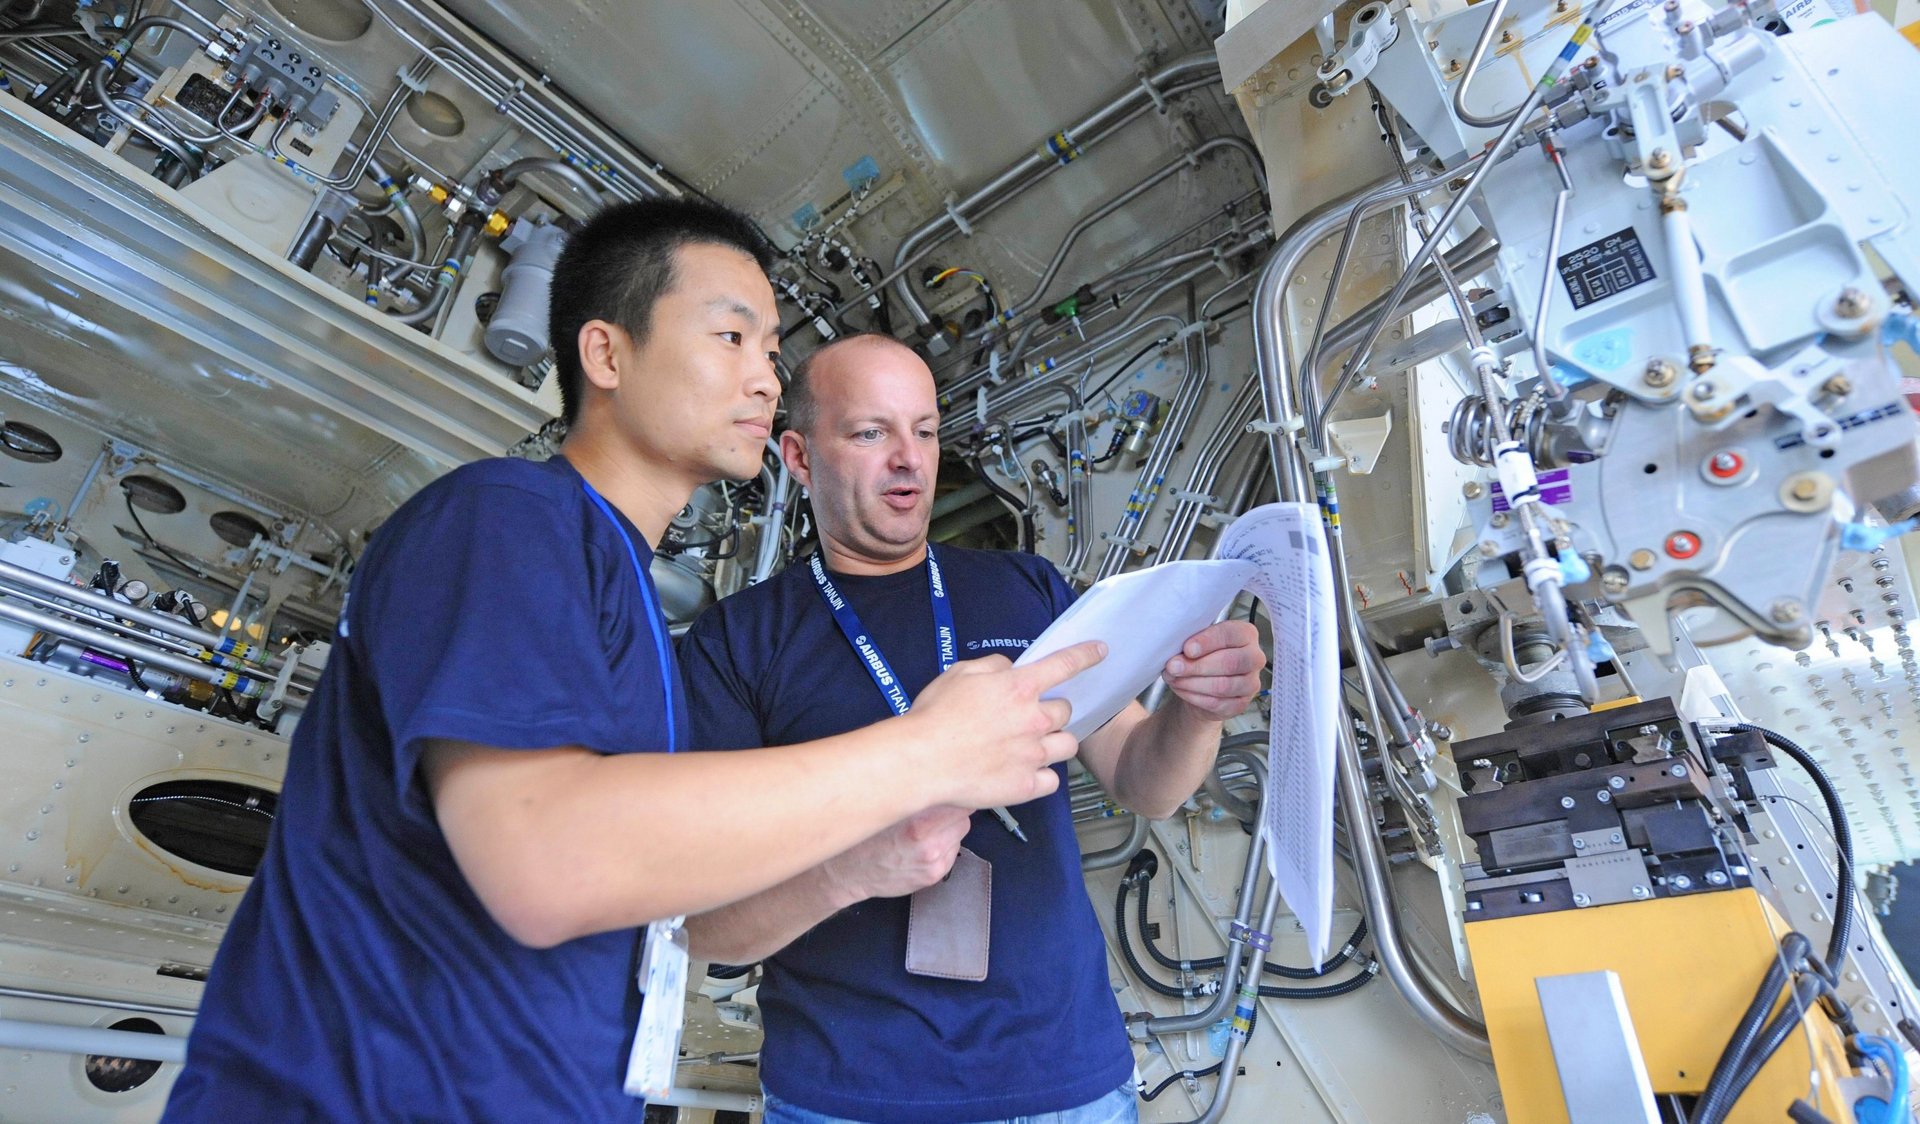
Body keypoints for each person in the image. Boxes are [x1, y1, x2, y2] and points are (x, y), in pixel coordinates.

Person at [163, 204, 1103, 1122]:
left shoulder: (632, 607)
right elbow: (542, 859)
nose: (768, 378)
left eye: (772, 350)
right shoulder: (505, 518)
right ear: (607, 355)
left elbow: (658, 904)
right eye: (732, 338)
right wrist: (924, 754)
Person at [679, 332, 1267, 1124]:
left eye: (923, 430)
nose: (908, 458)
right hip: (851, 1095)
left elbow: (1143, 781)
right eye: (869, 432)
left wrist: (1197, 710)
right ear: (799, 456)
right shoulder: (736, 643)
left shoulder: (1025, 590)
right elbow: (702, 926)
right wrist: (852, 870)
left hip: (1069, 1084)